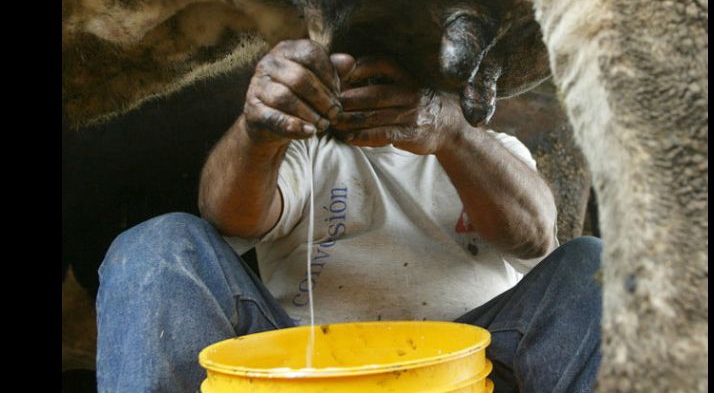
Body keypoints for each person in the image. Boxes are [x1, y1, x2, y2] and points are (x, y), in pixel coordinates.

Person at [95, 39, 603, 393]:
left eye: (391, 76)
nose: (374, 87)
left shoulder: (487, 149)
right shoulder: (301, 146)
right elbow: (231, 217)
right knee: (156, 246)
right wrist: (259, 126)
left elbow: (536, 238)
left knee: (592, 264)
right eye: (360, 72)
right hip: (299, 370)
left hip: (471, 370)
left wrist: (451, 132)